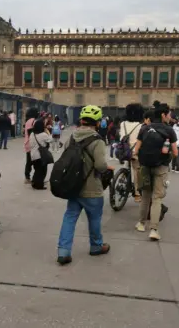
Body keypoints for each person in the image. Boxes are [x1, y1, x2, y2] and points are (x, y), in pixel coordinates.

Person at [57, 105, 112, 265]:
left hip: (74, 187)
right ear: (97, 122)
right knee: (94, 218)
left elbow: (66, 158)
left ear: (81, 120)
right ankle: (96, 246)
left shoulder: (72, 137)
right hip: (92, 188)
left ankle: (63, 251)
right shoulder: (97, 141)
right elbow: (101, 166)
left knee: (69, 217)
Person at [133, 103, 178, 241]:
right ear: (163, 115)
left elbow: (136, 149)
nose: (170, 117)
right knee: (157, 198)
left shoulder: (145, 128)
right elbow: (175, 153)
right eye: (169, 114)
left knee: (145, 195)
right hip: (161, 168)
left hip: (145, 167)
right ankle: (153, 229)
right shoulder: (169, 131)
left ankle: (141, 223)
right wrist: (167, 153)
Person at [119, 103, 143, 202]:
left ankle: (121, 180)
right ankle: (137, 194)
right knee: (137, 172)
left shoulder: (122, 123)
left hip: (123, 151)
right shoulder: (141, 126)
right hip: (135, 152)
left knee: (127, 164)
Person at [29, 119, 53, 190]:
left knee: (37, 170)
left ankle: (34, 183)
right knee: (42, 171)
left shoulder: (32, 134)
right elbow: (51, 140)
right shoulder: (43, 135)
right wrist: (47, 132)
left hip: (33, 155)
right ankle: (39, 185)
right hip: (40, 156)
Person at [24, 108, 39, 184]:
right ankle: (35, 178)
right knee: (36, 161)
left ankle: (27, 177)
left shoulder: (27, 121)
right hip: (33, 144)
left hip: (27, 143)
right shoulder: (34, 121)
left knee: (28, 161)